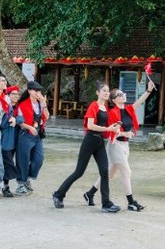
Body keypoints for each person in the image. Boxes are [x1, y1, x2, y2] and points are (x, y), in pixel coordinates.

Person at [84, 81, 155, 211]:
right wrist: (124, 132)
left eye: (123, 94)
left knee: (110, 174)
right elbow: (110, 130)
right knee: (127, 172)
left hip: (125, 145)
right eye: (120, 94)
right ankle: (131, 202)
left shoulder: (128, 109)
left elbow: (140, 101)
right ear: (114, 99)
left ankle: (89, 193)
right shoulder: (110, 112)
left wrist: (148, 90)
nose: (123, 95)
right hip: (114, 144)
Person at [52, 80, 121, 212]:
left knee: (104, 171)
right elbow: (90, 126)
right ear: (97, 93)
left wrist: (114, 128)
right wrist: (108, 129)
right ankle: (58, 194)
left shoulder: (105, 108)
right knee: (79, 172)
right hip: (90, 140)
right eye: (104, 91)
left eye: (107, 91)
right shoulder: (93, 106)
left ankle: (106, 203)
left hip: (100, 141)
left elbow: (106, 125)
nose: (106, 93)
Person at [14, 81, 49, 195]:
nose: (38, 93)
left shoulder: (40, 104)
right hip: (26, 135)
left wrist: (44, 104)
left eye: (39, 91)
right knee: (23, 160)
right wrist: (29, 127)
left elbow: (47, 116)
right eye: (36, 90)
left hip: (38, 135)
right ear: (29, 91)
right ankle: (21, 183)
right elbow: (19, 122)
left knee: (39, 159)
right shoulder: (23, 104)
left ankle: (27, 179)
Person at [0, 85, 23, 197]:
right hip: (5, 139)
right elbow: (2, 124)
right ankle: (6, 186)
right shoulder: (4, 107)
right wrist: (10, 118)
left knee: (7, 164)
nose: (16, 96)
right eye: (13, 94)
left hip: (16, 139)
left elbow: (23, 118)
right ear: (7, 95)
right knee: (8, 163)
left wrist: (16, 118)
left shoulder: (19, 107)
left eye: (17, 94)